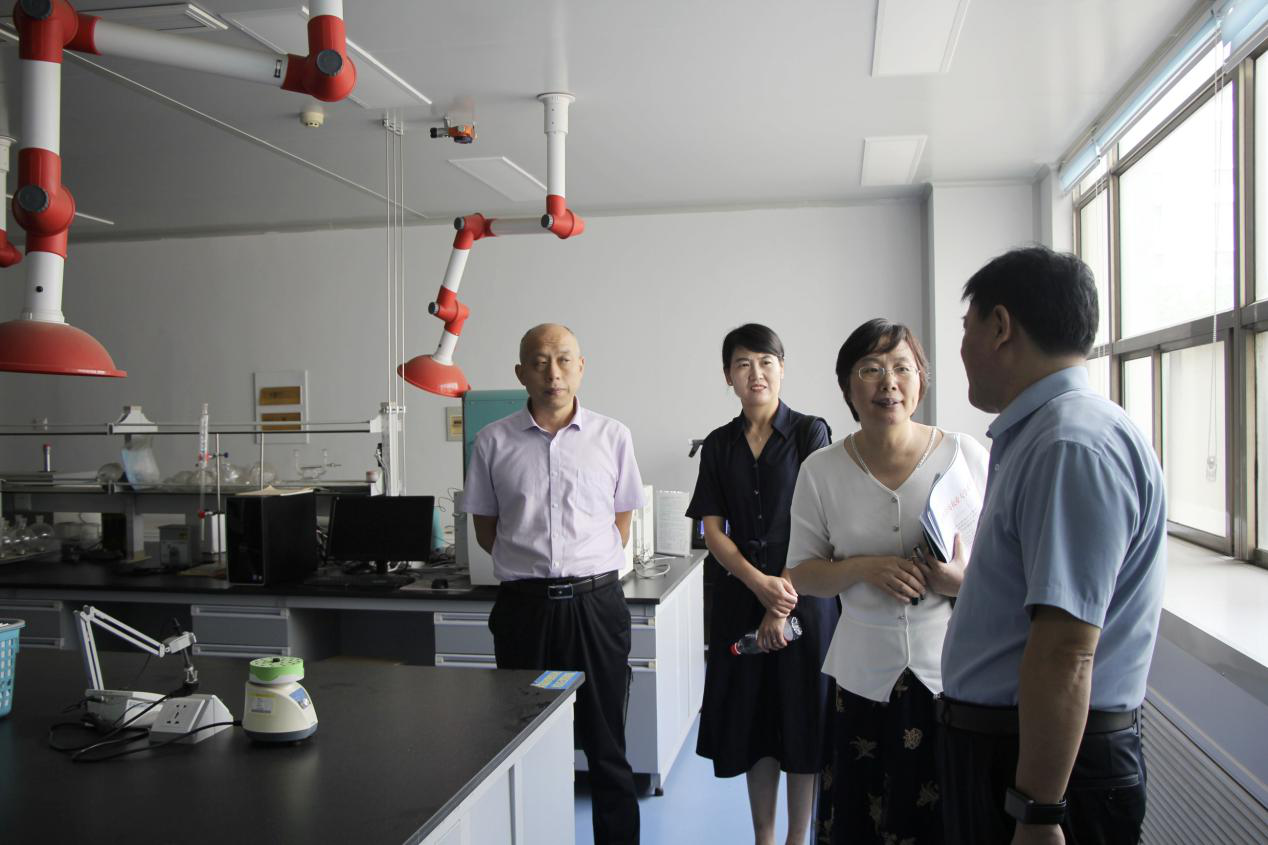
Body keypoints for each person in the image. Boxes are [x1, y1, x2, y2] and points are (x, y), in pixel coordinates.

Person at [940, 246, 1167, 845]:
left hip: (1045, 768)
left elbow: (1067, 651)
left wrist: (1039, 812)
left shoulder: (1070, 445)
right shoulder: (1047, 433)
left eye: (966, 327)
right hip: (1023, 751)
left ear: (1000, 326)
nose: (962, 347)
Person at [786, 318, 989, 845]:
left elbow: (1005, 571)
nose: (888, 382)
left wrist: (958, 582)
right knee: (861, 821)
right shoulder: (821, 470)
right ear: (847, 385)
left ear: (922, 380)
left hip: (949, 674)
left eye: (902, 367)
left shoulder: (964, 456)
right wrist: (862, 568)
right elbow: (801, 573)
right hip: (862, 678)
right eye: (870, 369)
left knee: (949, 822)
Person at [462, 323, 645, 845]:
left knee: (607, 744)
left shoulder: (613, 437)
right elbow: (486, 530)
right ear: (521, 373)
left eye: (564, 359)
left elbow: (622, 522)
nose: (553, 372)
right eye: (540, 362)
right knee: (525, 743)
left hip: (595, 608)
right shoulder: (493, 442)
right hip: (526, 612)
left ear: (581, 367)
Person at [686, 323, 840, 845]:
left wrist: (780, 601)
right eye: (743, 363)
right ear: (728, 375)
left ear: (782, 369)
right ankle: (765, 838)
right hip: (741, 597)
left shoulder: (810, 433)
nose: (756, 373)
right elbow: (713, 531)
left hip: (806, 598)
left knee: (803, 717)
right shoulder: (718, 445)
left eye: (766, 361)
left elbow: (821, 523)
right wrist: (759, 586)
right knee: (754, 722)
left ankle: (798, 838)